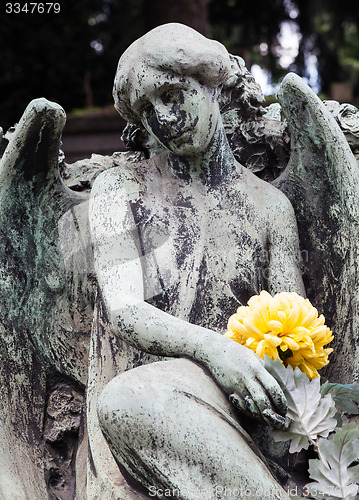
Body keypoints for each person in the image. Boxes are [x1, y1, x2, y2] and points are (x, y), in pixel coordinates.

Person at [89, 23, 305, 499]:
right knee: (127, 400)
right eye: (147, 111)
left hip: (247, 406)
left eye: (171, 94)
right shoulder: (118, 191)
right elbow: (124, 310)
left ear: (210, 82)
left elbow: (295, 337)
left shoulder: (271, 208)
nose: (163, 118)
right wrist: (215, 351)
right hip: (157, 398)